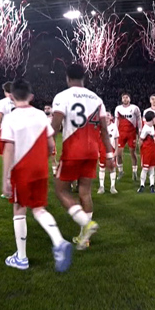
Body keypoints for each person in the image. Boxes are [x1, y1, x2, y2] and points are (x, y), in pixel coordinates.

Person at [1, 79, 73, 272]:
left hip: (21, 169)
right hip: (40, 169)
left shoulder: (11, 118)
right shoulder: (41, 115)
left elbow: (8, 149)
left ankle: (21, 258)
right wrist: (50, 161)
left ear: (11, 96)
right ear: (31, 96)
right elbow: (51, 145)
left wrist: (6, 178)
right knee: (39, 209)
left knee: (19, 208)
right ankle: (58, 241)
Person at [50, 64, 113, 251]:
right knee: (85, 192)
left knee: (61, 190)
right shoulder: (97, 98)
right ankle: (84, 239)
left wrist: (48, 145)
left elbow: (55, 126)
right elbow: (104, 130)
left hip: (72, 151)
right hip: (92, 152)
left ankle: (85, 223)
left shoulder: (62, 97)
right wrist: (109, 154)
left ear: (68, 78)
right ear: (84, 78)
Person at [114, 93, 142, 181]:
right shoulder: (118, 108)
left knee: (133, 153)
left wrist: (140, 130)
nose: (125, 99)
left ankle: (134, 172)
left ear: (129, 99)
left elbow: (139, 119)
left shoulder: (134, 108)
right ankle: (121, 171)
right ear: (122, 99)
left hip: (131, 133)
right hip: (121, 134)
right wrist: (115, 132)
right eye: (123, 98)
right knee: (118, 154)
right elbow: (116, 120)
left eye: (127, 97)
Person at [97, 112, 119, 195]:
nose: (106, 117)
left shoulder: (114, 127)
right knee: (102, 168)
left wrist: (116, 151)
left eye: (108, 115)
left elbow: (117, 139)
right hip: (102, 150)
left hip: (111, 150)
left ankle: (112, 187)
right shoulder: (99, 127)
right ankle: (101, 186)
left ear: (111, 117)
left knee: (112, 168)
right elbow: (96, 140)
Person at [138, 110, 155, 193]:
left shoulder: (151, 126)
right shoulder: (145, 128)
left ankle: (152, 185)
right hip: (146, 150)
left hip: (152, 150)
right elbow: (141, 140)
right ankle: (142, 185)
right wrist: (141, 151)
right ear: (152, 119)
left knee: (152, 167)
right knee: (145, 168)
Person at [0, 81, 14, 157]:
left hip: (6, 130)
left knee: (6, 154)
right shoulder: (20, 100)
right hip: (19, 130)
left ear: (5, 91)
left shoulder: (2, 102)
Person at [44, 105, 58, 176]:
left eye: (48, 108)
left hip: (51, 140)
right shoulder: (42, 118)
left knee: (53, 157)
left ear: (51, 109)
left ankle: (55, 172)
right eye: (45, 109)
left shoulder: (54, 119)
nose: (46, 110)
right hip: (42, 141)